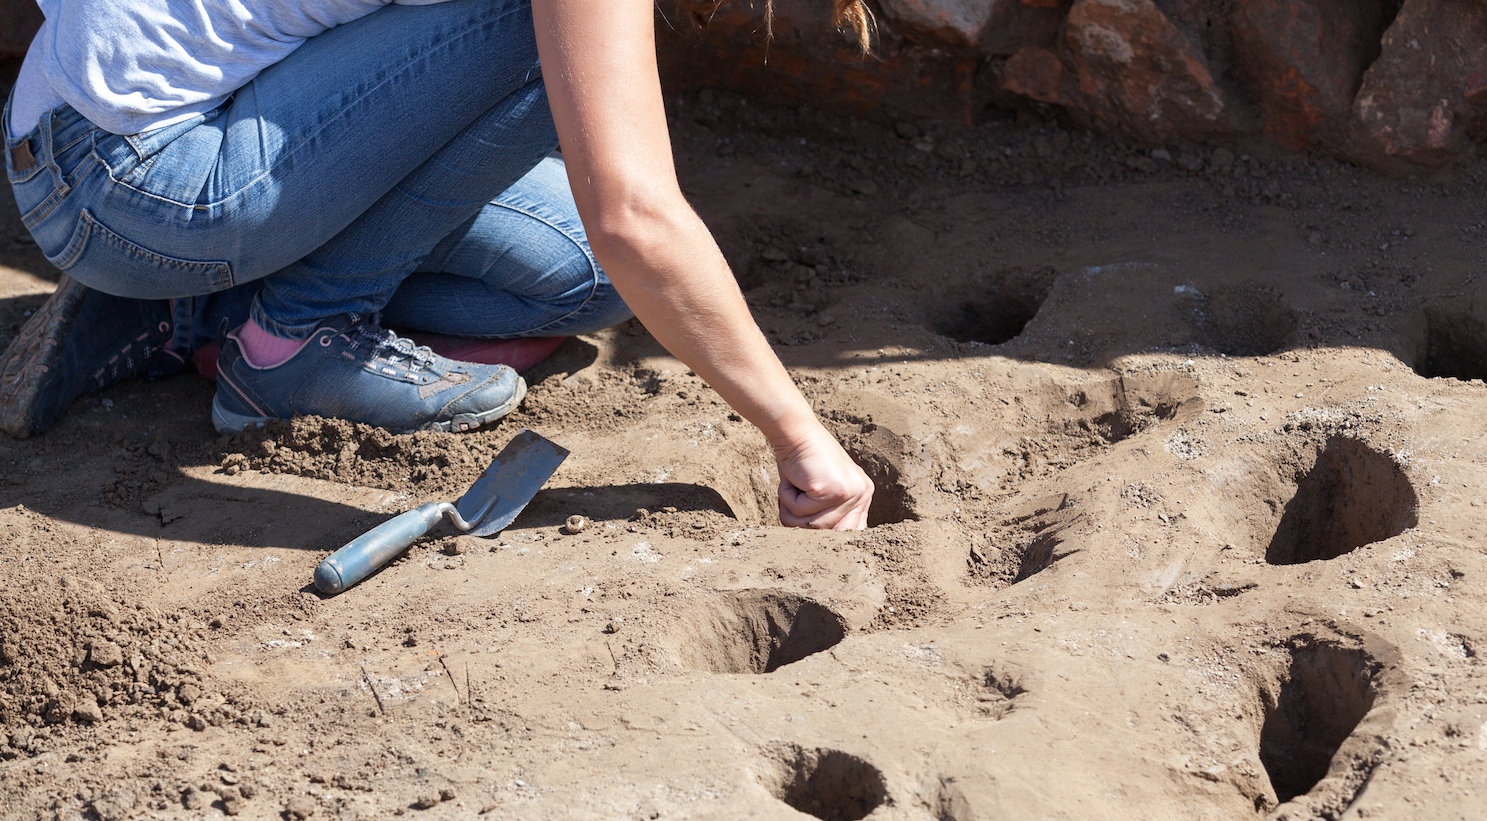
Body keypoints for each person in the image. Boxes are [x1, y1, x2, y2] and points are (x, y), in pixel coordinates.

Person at [0, 0, 874, 529]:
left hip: (131, 129)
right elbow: (635, 215)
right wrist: (801, 440)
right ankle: (292, 337)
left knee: (589, 277)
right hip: (129, 175)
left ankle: (201, 308)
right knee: (542, 36)